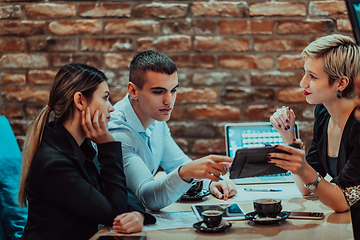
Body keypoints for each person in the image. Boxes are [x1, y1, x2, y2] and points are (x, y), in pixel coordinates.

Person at [18, 63, 154, 240]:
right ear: (80, 101)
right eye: (105, 98)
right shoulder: (54, 163)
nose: (111, 107)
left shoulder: (81, 146)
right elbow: (114, 211)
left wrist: (137, 214)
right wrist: (108, 144)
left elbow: (121, 193)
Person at [108, 50, 237, 211]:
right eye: (158, 92)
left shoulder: (155, 116)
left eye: (173, 90)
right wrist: (186, 172)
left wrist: (211, 180)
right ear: (133, 91)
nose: (168, 101)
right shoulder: (118, 132)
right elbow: (148, 197)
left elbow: (177, 163)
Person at [269, 34, 360, 215]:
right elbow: (306, 186)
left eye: (312, 76)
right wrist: (288, 137)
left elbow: (342, 201)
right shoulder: (323, 112)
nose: (303, 83)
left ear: (341, 83)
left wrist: (302, 168)